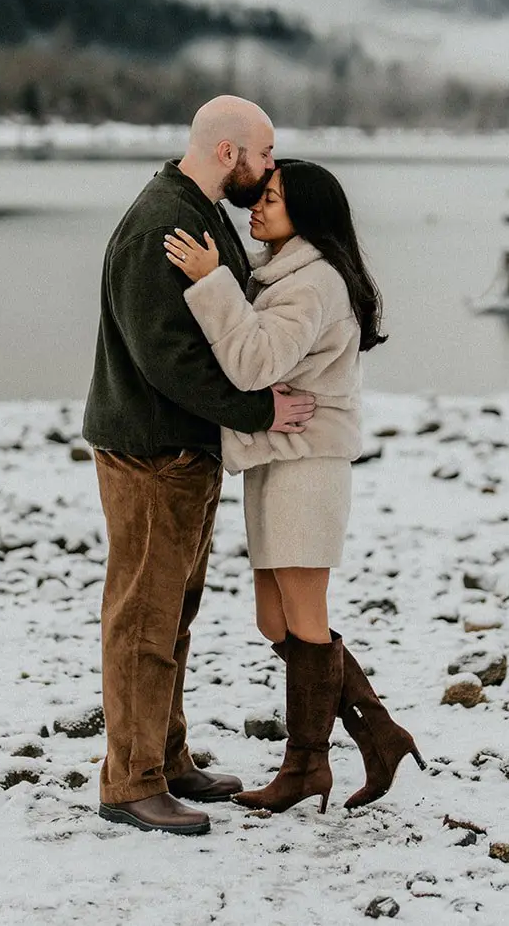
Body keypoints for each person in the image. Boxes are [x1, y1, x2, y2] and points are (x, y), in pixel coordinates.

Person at [82, 95, 318, 836]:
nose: (270, 166)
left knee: (173, 615)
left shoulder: (201, 209)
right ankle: (130, 783)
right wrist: (258, 411)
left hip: (181, 449)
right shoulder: (163, 222)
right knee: (142, 619)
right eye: (265, 154)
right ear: (228, 153)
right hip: (150, 451)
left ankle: (167, 759)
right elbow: (170, 359)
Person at [162, 159, 423, 815]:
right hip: (281, 458)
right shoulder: (288, 272)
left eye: (272, 199)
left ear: (305, 212)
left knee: (303, 620)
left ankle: (307, 764)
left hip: (309, 465)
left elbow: (254, 361)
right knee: (273, 619)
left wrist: (209, 282)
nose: (257, 206)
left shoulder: (315, 284)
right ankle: (379, 732)